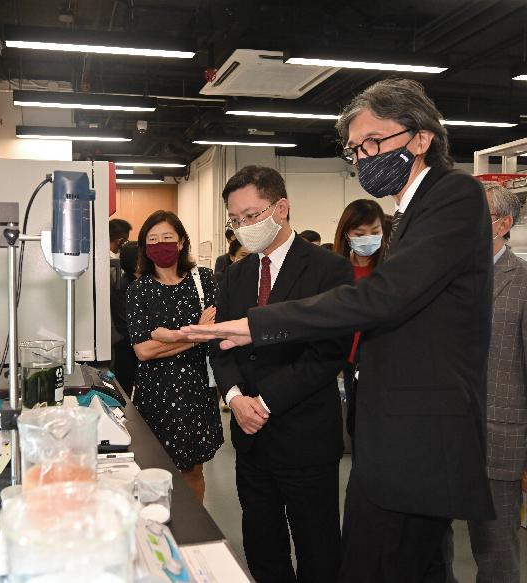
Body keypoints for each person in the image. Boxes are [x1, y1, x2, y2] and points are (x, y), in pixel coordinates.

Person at [181, 78, 495, 582]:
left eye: (373, 142)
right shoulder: (411, 212)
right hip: (392, 435)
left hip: (416, 438)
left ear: (421, 137)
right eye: (355, 150)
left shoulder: (453, 193)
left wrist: (256, 326)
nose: (364, 156)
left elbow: (381, 299)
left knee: (371, 563)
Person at [211, 165, 353, 582]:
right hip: (250, 439)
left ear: (282, 208)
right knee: (262, 544)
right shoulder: (235, 274)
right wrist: (236, 398)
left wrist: (265, 401)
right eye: (235, 221)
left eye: (252, 216)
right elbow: (221, 345)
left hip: (305, 436)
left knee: (318, 548)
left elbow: (328, 353)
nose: (243, 228)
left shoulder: (329, 270)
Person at [126, 211, 223, 502]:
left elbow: (217, 330)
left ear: (181, 242)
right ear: (144, 247)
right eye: (152, 240)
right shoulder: (139, 290)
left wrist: (169, 335)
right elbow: (143, 351)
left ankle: (193, 532)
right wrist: (195, 334)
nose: (160, 244)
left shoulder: (204, 280)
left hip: (197, 390)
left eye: (167, 238)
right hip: (156, 392)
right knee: (153, 470)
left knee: (193, 470)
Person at [463, 181, 527, 583]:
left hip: (498, 436)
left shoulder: (521, 283)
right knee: (432, 542)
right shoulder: (444, 274)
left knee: (496, 550)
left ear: (502, 224)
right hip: (443, 431)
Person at [332, 199, 387, 441]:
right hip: (347, 359)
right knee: (355, 426)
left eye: (375, 232)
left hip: (382, 360)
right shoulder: (334, 270)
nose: (369, 238)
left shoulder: (391, 270)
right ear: (347, 235)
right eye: (360, 233)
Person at [111, 241, 139, 395]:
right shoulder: (123, 286)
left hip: (142, 346)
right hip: (127, 349)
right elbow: (123, 324)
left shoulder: (145, 283)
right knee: (124, 392)